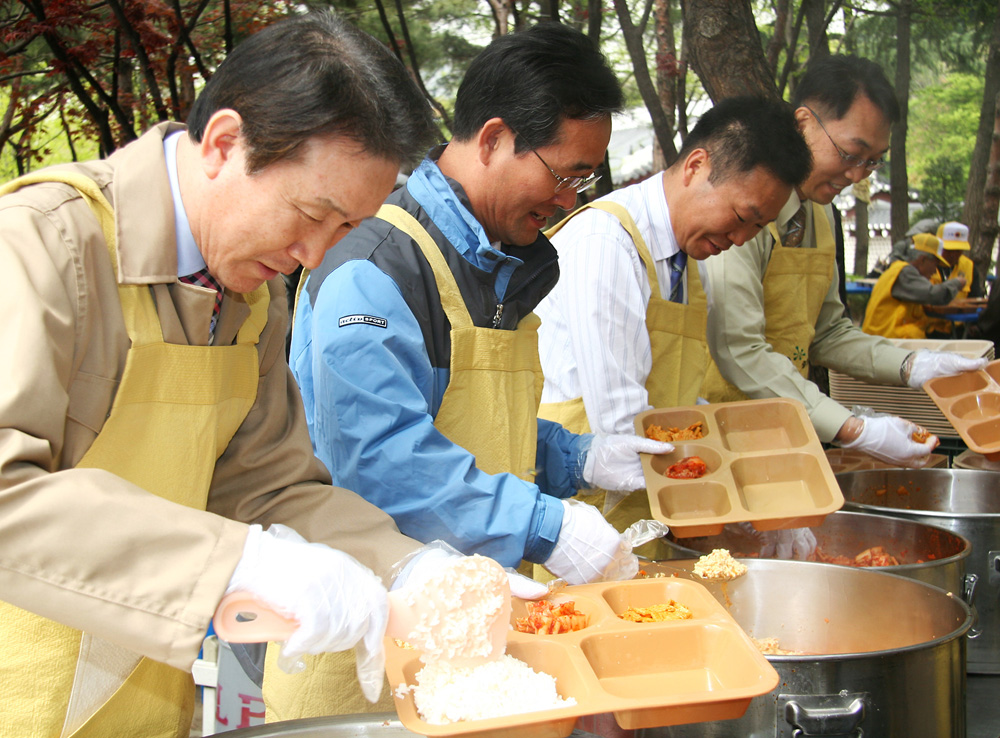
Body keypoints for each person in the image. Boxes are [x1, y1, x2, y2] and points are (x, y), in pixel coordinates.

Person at [0, 11, 486, 737]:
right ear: (225, 143)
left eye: (346, 229)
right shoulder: (40, 243)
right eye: (311, 213)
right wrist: (236, 565)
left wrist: (410, 567)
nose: (316, 256)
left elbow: (267, 484)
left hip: (138, 696)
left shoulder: (253, 295)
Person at [282, 23, 672, 718]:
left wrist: (578, 457)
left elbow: (478, 428)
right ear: (492, 139)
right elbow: (377, 461)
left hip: (478, 640)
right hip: (367, 660)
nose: (570, 199)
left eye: (586, 179)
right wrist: (549, 527)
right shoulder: (377, 267)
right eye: (565, 174)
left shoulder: (500, 263)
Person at [534, 96, 812, 553]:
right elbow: (623, 425)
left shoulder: (685, 257)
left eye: (757, 229)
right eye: (742, 217)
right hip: (587, 520)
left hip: (652, 508)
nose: (741, 239)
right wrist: (741, 496)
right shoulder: (609, 244)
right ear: (697, 166)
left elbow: (674, 398)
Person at [699, 54, 986, 468]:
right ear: (803, 123)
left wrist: (913, 365)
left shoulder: (818, 212)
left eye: (873, 161)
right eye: (852, 152)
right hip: (720, 430)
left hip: (786, 428)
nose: (858, 175)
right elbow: (738, 347)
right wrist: (853, 428)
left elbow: (828, 331)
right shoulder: (746, 209)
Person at [861, 234, 965, 338]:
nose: (935, 271)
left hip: (881, 337)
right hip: (886, 339)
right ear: (923, 259)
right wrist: (956, 283)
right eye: (935, 264)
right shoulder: (905, 273)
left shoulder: (899, 270)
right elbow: (932, 294)